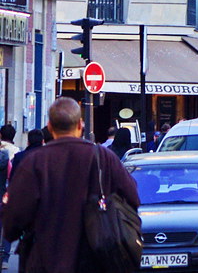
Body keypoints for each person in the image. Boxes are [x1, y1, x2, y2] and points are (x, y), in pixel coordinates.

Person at [4, 97, 140, 273]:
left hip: (44, 260)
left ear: (50, 127)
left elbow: (13, 220)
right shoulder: (104, 158)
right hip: (96, 258)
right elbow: (133, 198)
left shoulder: (34, 163)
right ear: (80, 125)